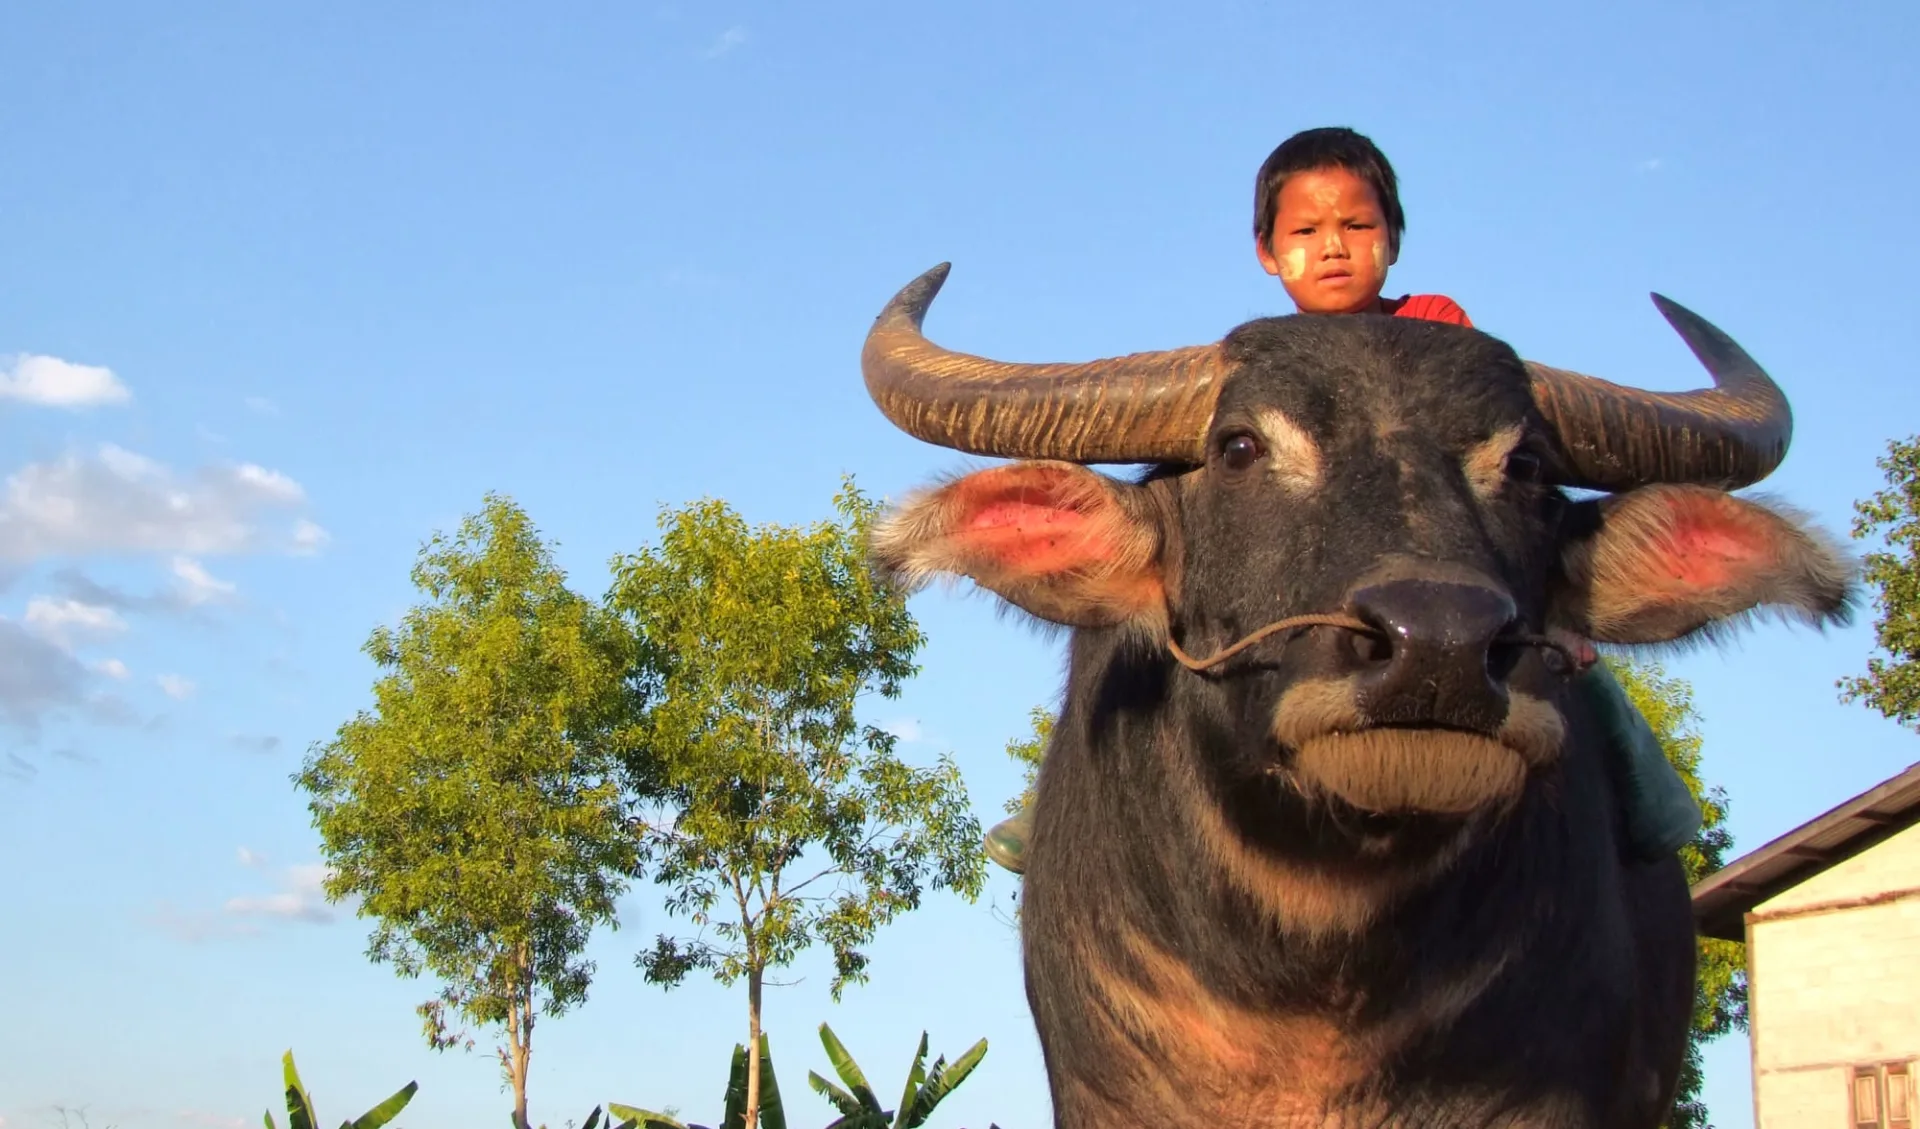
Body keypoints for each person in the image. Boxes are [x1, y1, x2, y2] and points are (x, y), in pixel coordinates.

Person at [983, 126, 1702, 876]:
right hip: (1299, 593)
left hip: (1450, 570)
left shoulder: (1440, 334)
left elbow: (1506, 477)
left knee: (1564, 637)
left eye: (1357, 226)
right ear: (1267, 253)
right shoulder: (1252, 369)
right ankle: (1055, 805)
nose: (1333, 247)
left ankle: (1650, 791)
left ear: (1392, 240)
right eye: (1306, 230)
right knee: (1145, 624)